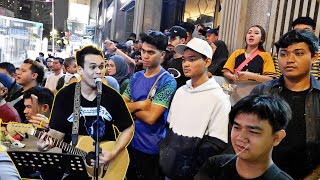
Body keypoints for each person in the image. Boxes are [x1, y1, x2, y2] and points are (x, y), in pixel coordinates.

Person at [37, 45, 134, 173]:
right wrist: (45, 144)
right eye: (93, 67)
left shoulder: (112, 96)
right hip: (74, 168)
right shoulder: (65, 95)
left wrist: (113, 153)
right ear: (80, 70)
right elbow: (57, 132)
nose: (99, 71)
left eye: (101, 66)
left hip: (106, 165)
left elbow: (128, 127)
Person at [250, 30, 320, 179]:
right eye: (283, 54)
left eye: (299, 53)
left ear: (314, 57)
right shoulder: (262, 91)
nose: (289, 60)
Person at [160, 37, 231, 179]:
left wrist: (193, 170)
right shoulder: (181, 91)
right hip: (169, 169)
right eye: (184, 59)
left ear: (207, 62)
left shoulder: (218, 98)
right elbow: (169, 127)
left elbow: (216, 143)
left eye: (192, 59)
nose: (186, 64)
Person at [195, 95, 293, 180]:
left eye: (253, 131)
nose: (240, 137)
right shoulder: (214, 166)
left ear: (277, 138)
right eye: (237, 127)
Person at [122, 30, 177, 179]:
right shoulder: (136, 77)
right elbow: (120, 106)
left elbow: (152, 117)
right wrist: (140, 104)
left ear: (163, 55)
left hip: (151, 147)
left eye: (151, 52)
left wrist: (131, 107)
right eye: (143, 51)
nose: (145, 56)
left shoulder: (167, 81)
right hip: (128, 141)